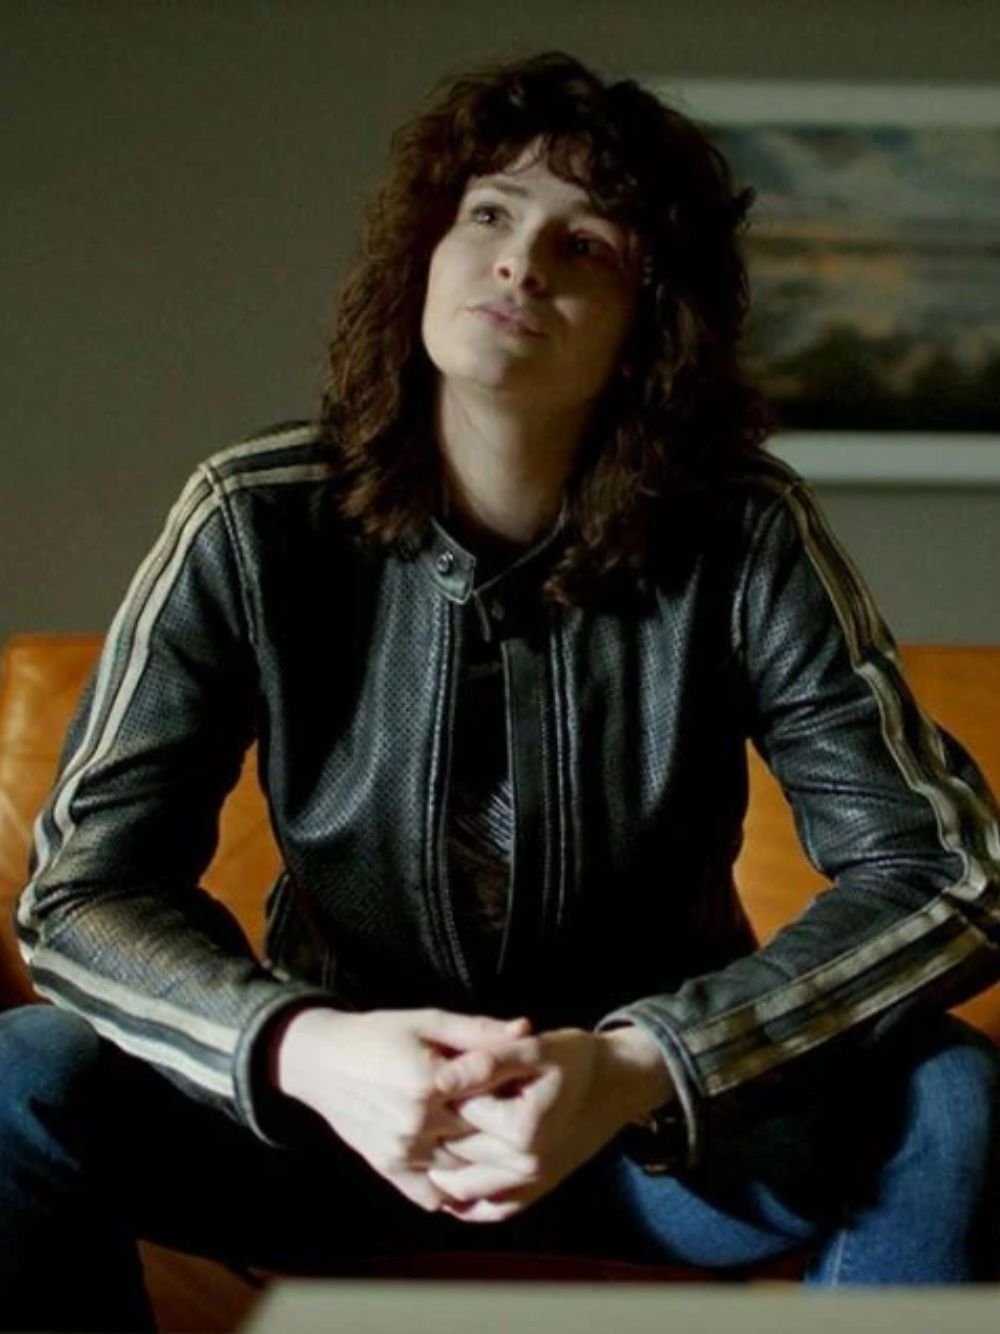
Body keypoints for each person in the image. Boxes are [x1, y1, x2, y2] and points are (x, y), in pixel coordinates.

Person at [3, 50, 1000, 1330]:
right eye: (488, 214)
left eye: (584, 244)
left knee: (948, 1095)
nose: (521, 263)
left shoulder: (743, 532)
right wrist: (308, 1047)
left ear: (650, 322)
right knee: (20, 1073)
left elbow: (944, 867)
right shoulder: (252, 518)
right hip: (328, 1133)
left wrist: (639, 1061)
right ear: (424, 256)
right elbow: (82, 890)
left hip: (662, 1143)